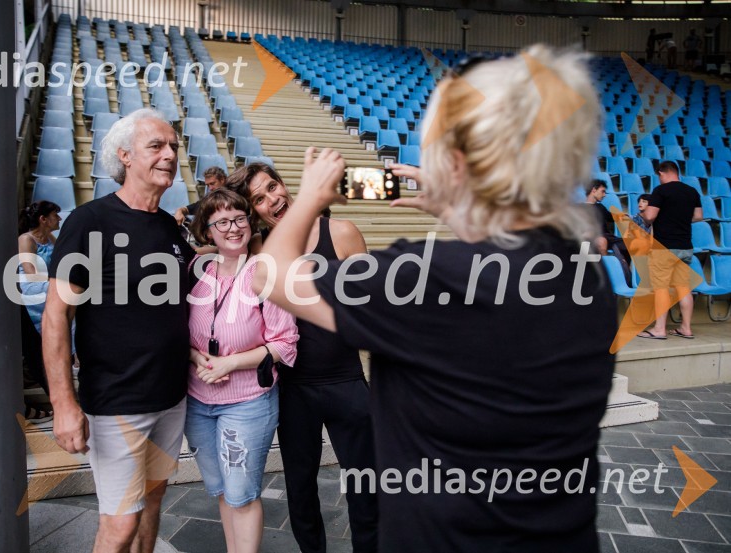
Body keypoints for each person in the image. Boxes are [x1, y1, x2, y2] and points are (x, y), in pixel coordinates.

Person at [254, 45, 616, 553]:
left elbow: (270, 274)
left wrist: (312, 196)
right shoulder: (587, 273)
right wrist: (459, 205)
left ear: (459, 162)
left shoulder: (426, 279)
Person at [44, 108, 197, 553]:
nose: (170, 154)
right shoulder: (90, 221)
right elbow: (57, 315)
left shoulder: (168, 227)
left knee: (154, 498)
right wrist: (62, 404)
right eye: (157, 146)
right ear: (125, 156)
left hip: (171, 397)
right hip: (118, 401)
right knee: (119, 525)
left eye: (173, 145)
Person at [227, 162, 378, 553]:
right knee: (300, 489)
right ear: (252, 211)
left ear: (283, 184)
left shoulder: (341, 232)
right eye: (258, 199)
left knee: (366, 487)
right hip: (293, 388)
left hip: (346, 381)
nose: (272, 200)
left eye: (272, 187)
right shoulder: (258, 249)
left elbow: (372, 312)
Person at [184, 188, 298, 553]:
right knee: (221, 490)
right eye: (222, 221)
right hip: (198, 401)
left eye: (239, 218)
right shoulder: (195, 271)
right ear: (207, 230)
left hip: (247, 401)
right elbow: (176, 327)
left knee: (242, 495)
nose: (233, 228)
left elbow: (285, 343)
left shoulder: (266, 272)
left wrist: (232, 362)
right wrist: (192, 354)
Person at [637, 160, 703, 340]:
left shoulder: (661, 191)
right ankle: (686, 328)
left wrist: (648, 216)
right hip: (685, 247)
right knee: (684, 288)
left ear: (661, 173)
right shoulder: (691, 191)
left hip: (664, 247)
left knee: (661, 288)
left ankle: (659, 329)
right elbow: (698, 216)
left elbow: (650, 216)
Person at [18, 200, 61, 423]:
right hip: (31, 286)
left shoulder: (52, 238)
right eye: (55, 215)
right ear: (43, 219)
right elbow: (30, 273)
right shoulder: (26, 239)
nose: (60, 219)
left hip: (48, 284)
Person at [585, 179, 632, 281]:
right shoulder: (581, 207)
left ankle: (626, 275)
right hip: (592, 238)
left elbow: (612, 217)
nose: (604, 195)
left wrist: (624, 216)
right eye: (602, 191)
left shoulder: (600, 206)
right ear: (594, 190)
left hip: (608, 237)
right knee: (602, 241)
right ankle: (607, 276)